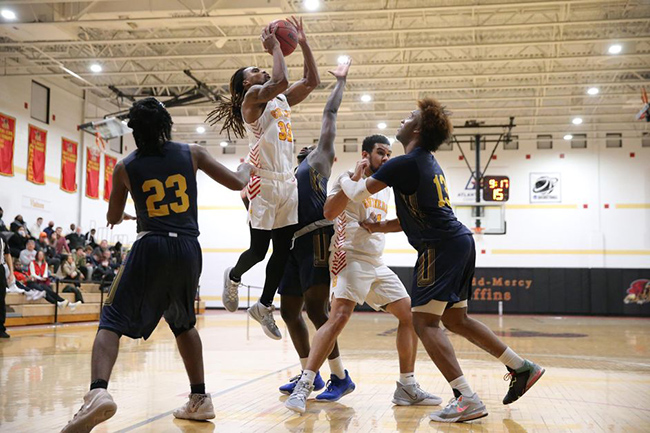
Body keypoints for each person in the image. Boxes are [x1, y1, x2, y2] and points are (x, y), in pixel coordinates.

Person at [329, 98, 545, 423]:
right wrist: (377, 226)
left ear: (417, 129)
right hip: (459, 241)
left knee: (423, 322)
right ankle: (521, 367)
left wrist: (350, 176)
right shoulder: (426, 162)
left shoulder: (404, 162)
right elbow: (407, 220)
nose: (403, 118)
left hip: (439, 247)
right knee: (457, 321)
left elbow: (359, 194)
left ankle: (465, 397)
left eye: (410, 116)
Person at [62, 97, 253, 433]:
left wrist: (127, 209)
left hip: (150, 244)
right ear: (166, 124)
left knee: (111, 320)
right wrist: (249, 165)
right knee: (183, 322)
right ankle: (199, 398)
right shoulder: (192, 152)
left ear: (135, 131)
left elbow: (110, 217)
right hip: (188, 248)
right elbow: (238, 182)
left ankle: (97, 392)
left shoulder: (126, 166)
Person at [285, 135, 441, 413]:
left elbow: (402, 223)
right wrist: (354, 180)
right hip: (350, 258)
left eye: (388, 154)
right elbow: (330, 211)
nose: (386, 158)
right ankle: (304, 385)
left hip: (376, 263)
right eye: (380, 152)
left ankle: (406, 385)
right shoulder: (348, 178)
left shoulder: (385, 186)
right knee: (339, 317)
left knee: (410, 316)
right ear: (365, 154)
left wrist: (379, 228)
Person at [208, 17, 319, 339]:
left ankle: (264, 305)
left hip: (288, 181)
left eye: (262, 67)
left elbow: (311, 81)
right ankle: (234, 275)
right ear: (246, 84)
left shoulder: (280, 99)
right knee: (259, 250)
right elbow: (281, 81)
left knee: (283, 251)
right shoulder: (253, 99)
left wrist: (304, 42)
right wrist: (275, 49)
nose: (262, 71)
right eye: (255, 70)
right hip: (264, 181)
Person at [277, 58, 349, 397]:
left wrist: (340, 82)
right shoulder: (289, 175)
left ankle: (339, 376)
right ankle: (311, 371)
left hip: (318, 236)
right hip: (291, 243)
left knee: (317, 309)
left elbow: (329, 116)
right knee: (289, 310)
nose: (306, 146)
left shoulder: (319, 158)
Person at [0, 234, 14, 338]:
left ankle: (1, 328)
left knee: (1, 298)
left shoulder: (2, 237)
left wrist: (11, 272)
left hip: (0, 268)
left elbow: (7, 254)